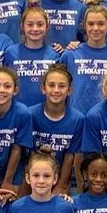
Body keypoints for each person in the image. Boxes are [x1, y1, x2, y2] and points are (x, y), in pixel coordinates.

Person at [60, 1, 107, 116]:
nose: (96, 28)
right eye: (91, 24)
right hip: (77, 118)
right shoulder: (70, 55)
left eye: (101, 24)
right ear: (84, 26)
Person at [30, 64, 84, 194]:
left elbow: (70, 156)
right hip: (34, 177)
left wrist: (61, 186)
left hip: (61, 179)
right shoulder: (30, 115)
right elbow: (30, 153)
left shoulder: (77, 119)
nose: (56, 90)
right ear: (43, 88)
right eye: (51, 85)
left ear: (69, 90)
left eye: (61, 86)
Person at [4, 4, 61, 108]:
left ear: (47, 26)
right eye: (30, 24)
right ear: (22, 26)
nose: (35, 29)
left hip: (46, 111)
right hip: (18, 110)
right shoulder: (10, 53)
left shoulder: (55, 54)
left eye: (40, 24)